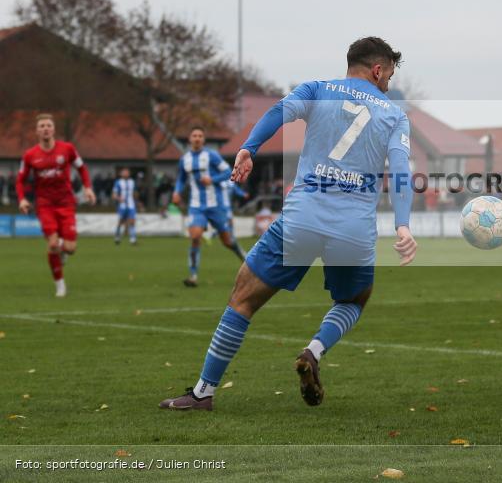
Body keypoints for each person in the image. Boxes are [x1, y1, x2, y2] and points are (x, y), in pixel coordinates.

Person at [160, 36, 416, 411]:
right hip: (354, 229)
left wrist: (249, 148)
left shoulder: (316, 89)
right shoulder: (395, 115)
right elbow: (402, 172)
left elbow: (277, 113)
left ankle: (203, 392)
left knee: (243, 298)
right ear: (377, 70)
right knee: (354, 299)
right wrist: (403, 225)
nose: (389, 84)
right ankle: (313, 351)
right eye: (389, 74)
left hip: (303, 217)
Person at [15, 113, 96, 297]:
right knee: (53, 245)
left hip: (66, 203)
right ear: (37, 131)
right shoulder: (30, 155)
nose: (45, 128)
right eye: (42, 126)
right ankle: (60, 284)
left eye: (48, 125)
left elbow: (82, 168)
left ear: (53, 129)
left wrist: (88, 188)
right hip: (45, 205)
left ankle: (63, 251)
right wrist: (22, 198)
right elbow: (20, 180)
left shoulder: (67, 149)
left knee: (70, 248)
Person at [173, 126, 247, 287]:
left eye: (200, 135)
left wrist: (212, 179)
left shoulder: (211, 156)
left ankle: (246, 259)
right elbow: (181, 179)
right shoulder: (184, 159)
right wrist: (177, 192)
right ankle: (193, 276)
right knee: (195, 237)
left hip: (216, 205)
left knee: (227, 241)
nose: (197, 138)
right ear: (190, 139)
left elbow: (228, 172)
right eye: (194, 135)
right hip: (196, 205)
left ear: (204, 139)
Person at [113, 167, 138, 245]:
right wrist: (119, 198)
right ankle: (117, 236)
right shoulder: (118, 182)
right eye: (124, 172)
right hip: (122, 205)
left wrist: (137, 201)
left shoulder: (132, 182)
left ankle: (132, 239)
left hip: (131, 205)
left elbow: (135, 193)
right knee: (121, 222)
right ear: (121, 174)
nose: (126, 173)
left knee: (132, 221)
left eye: (127, 172)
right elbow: (114, 195)